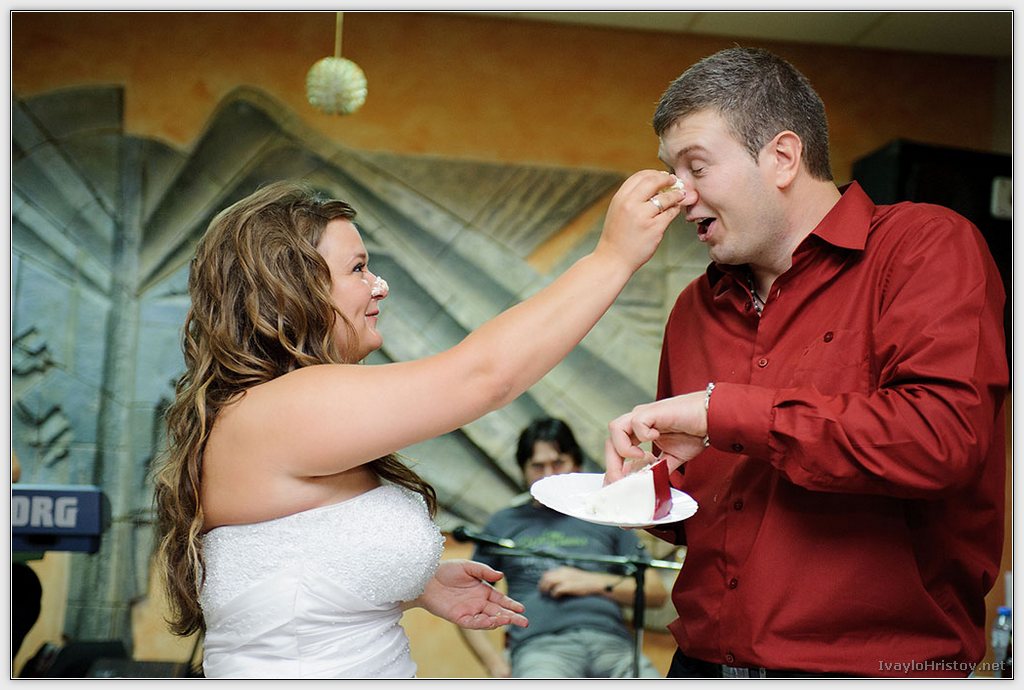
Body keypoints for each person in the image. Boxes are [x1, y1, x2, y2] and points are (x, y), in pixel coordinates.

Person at [151, 171, 685, 678]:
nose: (379, 286)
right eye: (358, 269)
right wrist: (612, 257)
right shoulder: (284, 407)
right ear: (294, 289)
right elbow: (482, 377)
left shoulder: (264, 410)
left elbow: (288, 563)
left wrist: (412, 585)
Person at [602, 47, 1008, 679]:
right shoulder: (695, 307)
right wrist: (651, 487)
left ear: (783, 157)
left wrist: (722, 413)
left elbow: (941, 439)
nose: (680, 195)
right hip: (701, 664)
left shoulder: (924, 247)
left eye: (696, 167)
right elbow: (707, 519)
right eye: (672, 172)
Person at [457, 417, 668, 678]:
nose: (548, 474)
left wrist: (589, 582)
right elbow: (466, 599)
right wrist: (494, 665)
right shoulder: (503, 523)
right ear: (523, 471)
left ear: (575, 464)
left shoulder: (605, 515)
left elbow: (656, 593)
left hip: (613, 646)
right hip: (540, 648)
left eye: (558, 463)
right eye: (537, 466)